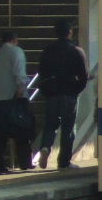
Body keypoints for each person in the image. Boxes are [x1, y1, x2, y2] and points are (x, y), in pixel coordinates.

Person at [37, 18, 89, 169]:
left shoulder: (48, 50)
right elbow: (84, 76)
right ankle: (64, 161)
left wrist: (46, 90)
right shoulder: (77, 51)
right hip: (69, 92)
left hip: (52, 92)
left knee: (50, 125)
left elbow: (41, 73)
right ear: (70, 32)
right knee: (68, 128)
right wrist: (76, 90)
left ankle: (45, 147)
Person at [0, 31, 31, 173]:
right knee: (22, 130)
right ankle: (24, 161)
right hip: (15, 97)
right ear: (15, 40)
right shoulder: (16, 52)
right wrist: (21, 89)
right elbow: (19, 72)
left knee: (0, 134)